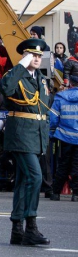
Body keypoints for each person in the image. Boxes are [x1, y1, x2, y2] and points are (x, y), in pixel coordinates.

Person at [0, 38, 51, 246]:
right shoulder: (16, 75)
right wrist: (21, 65)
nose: (37, 59)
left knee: (22, 182)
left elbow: (44, 108)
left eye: (39, 56)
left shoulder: (40, 78)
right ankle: (31, 225)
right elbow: (5, 88)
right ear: (24, 56)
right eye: (33, 55)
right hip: (21, 135)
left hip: (36, 135)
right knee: (35, 177)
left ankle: (17, 229)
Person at [50, 74, 78, 202]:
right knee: (76, 166)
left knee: (62, 165)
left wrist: (51, 133)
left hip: (64, 137)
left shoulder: (60, 97)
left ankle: (56, 193)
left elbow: (53, 119)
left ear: (70, 84)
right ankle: (76, 194)